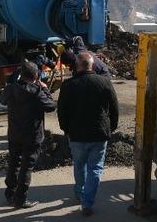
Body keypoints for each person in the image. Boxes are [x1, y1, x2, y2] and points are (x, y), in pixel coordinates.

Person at [57, 51, 120, 216]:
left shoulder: (68, 85)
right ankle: (87, 202)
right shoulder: (104, 83)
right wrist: (111, 127)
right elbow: (114, 108)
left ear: (77, 66)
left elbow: (62, 111)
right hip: (99, 134)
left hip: (76, 135)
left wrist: (65, 129)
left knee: (79, 165)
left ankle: (79, 193)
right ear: (92, 65)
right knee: (95, 168)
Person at [0, 59, 56, 209]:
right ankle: (21, 199)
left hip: (14, 133)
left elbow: (2, 100)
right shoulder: (37, 93)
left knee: (14, 163)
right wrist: (44, 89)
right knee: (26, 167)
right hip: (32, 136)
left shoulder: (11, 88)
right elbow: (51, 106)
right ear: (36, 76)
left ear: (21, 74)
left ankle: (10, 193)